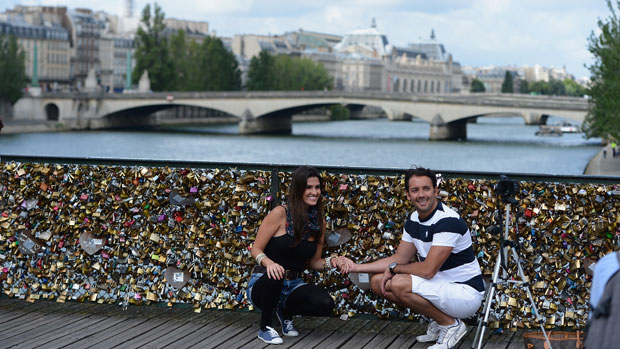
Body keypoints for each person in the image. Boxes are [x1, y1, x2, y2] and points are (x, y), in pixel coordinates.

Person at [338, 167, 485, 349]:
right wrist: (356, 267)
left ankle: (451, 325)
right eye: (415, 190)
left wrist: (394, 269)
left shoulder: (448, 221)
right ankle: (441, 321)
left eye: (426, 189)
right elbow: (400, 257)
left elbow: (427, 270)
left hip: (464, 293)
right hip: (440, 287)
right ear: (408, 195)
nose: (421, 195)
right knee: (377, 282)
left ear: (436, 191)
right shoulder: (414, 219)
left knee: (399, 283)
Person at [247, 166, 337, 345]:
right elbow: (255, 249)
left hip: (293, 285)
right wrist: (269, 263)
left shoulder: (319, 221)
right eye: (308, 187)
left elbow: (314, 262)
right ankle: (265, 328)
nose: (314, 192)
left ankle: (284, 310)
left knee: (326, 304)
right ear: (298, 190)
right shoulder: (280, 213)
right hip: (264, 283)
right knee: (277, 272)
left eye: (317, 187)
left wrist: (332, 261)